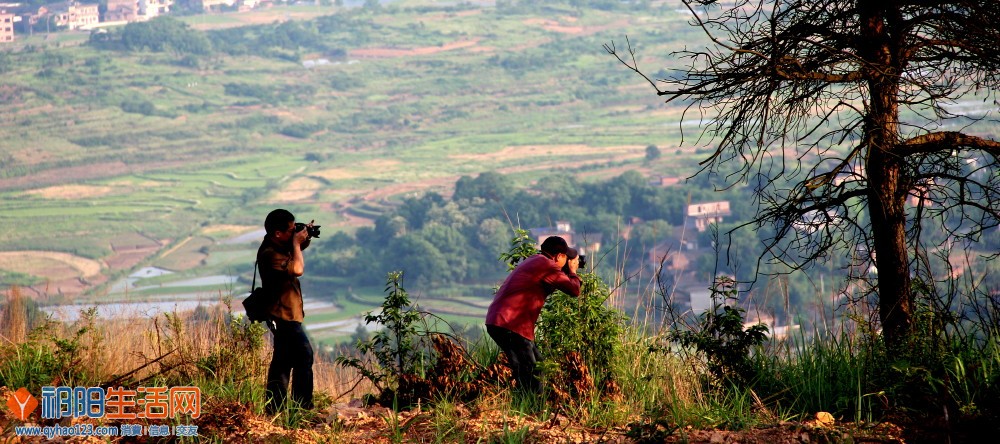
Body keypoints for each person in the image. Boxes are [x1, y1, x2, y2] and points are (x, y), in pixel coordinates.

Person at [485, 236, 581, 392]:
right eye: (566, 257)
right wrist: (573, 271)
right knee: (532, 369)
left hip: (498, 320)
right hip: (512, 323)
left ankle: (523, 403)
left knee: (533, 366)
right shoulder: (547, 266)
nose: (568, 260)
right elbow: (574, 290)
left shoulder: (534, 260)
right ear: (558, 257)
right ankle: (533, 407)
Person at [258, 209, 315, 414]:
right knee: (304, 356)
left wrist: (304, 236)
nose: (293, 233)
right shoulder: (270, 254)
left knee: (282, 363)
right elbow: (298, 268)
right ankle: (302, 408)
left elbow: (295, 250)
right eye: (290, 230)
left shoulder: (278, 244)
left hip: (287, 315)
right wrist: (298, 243)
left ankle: (274, 409)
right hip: (284, 317)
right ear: (278, 233)